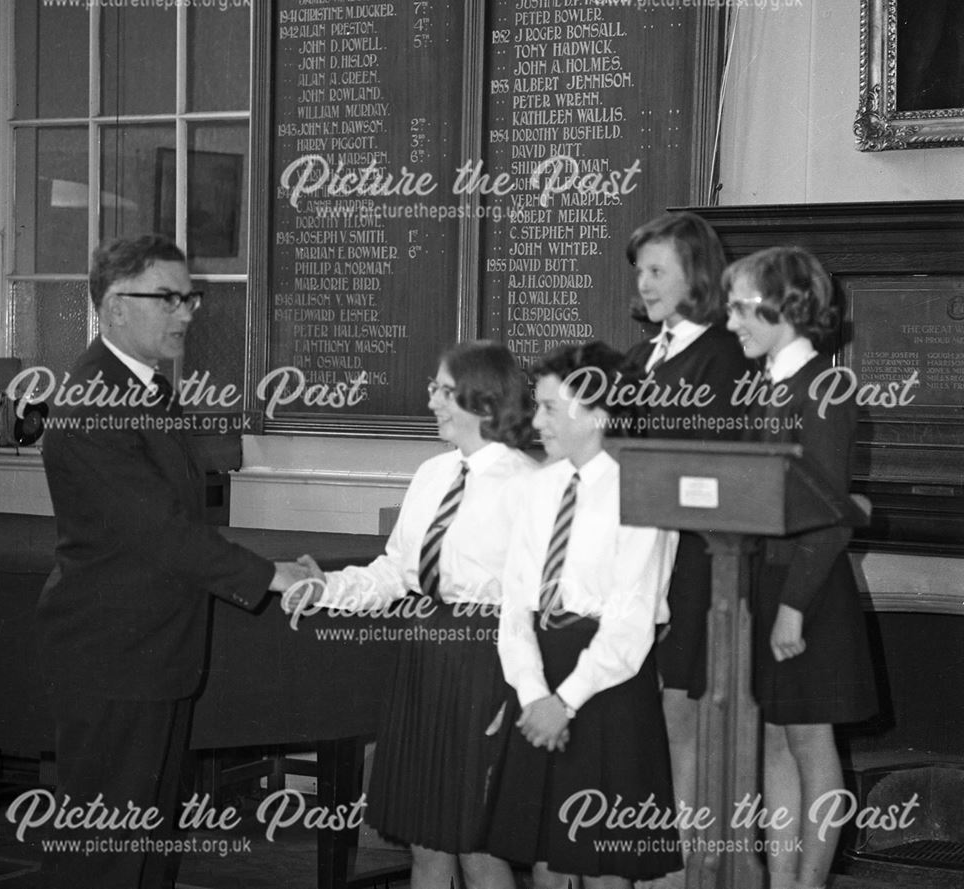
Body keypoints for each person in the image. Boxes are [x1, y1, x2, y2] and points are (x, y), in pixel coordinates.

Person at [36, 234, 309, 889]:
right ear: (112, 306)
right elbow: (160, 532)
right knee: (102, 861)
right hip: (115, 663)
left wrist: (270, 566)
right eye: (168, 297)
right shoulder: (93, 399)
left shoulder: (147, 389)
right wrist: (273, 575)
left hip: (152, 657)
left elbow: (175, 522)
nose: (186, 311)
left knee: (147, 852)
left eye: (189, 296)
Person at [284, 341, 534, 889]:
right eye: (433, 389)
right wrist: (324, 587)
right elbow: (395, 572)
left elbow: (536, 603)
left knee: (479, 847)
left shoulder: (528, 485)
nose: (432, 402)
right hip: (424, 663)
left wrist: (521, 695)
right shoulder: (433, 474)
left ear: (486, 401)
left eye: (445, 391)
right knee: (426, 844)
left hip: (489, 669)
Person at [487, 341, 682, 888]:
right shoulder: (536, 488)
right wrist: (532, 694)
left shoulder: (643, 492)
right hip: (540, 678)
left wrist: (565, 703)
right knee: (545, 856)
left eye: (550, 407)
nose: (536, 419)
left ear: (595, 413)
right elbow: (516, 602)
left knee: (602, 864)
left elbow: (632, 619)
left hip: (607, 687)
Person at [723, 246, 878, 889]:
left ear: (784, 307)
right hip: (768, 585)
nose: (732, 323)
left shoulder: (823, 389)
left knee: (812, 745)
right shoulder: (770, 388)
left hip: (806, 592)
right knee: (775, 743)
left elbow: (834, 516)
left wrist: (792, 605)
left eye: (741, 308)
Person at [621, 211, 751, 864]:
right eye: (639, 269)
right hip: (639, 558)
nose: (643, 283)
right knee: (642, 722)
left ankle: (693, 870)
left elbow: (718, 467)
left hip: (698, 560)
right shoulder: (643, 354)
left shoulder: (723, 352)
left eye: (656, 269)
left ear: (694, 273)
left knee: (684, 724)